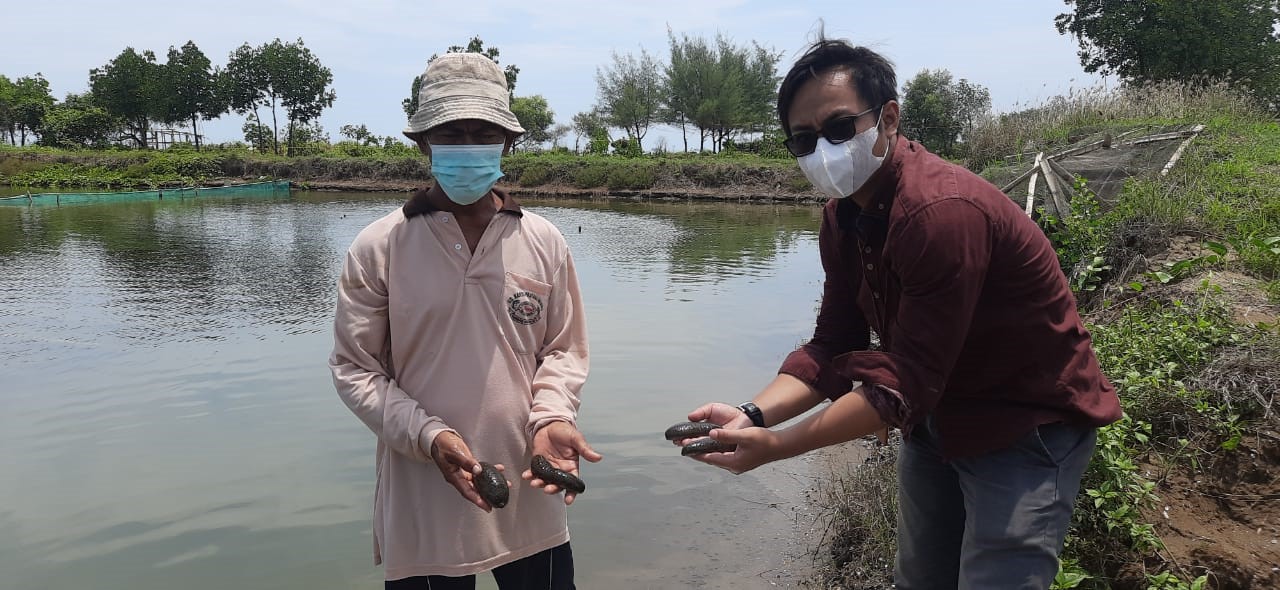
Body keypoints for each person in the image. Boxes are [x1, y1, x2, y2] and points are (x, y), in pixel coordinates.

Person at [679, 38, 1122, 589]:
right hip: (937, 418)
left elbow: (903, 380)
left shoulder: (942, 212)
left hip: (1024, 421)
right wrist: (755, 415)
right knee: (921, 579)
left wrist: (777, 449)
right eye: (804, 139)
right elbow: (833, 345)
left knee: (999, 578)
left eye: (839, 128)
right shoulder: (843, 217)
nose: (823, 149)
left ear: (888, 118)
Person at [330, 51, 599, 590]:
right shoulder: (380, 247)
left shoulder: (543, 241)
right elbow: (355, 370)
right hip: (424, 497)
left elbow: (564, 349)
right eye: (451, 134)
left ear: (508, 142)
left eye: (483, 134)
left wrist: (550, 417)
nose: (468, 148)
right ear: (423, 142)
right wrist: (429, 436)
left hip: (530, 491)